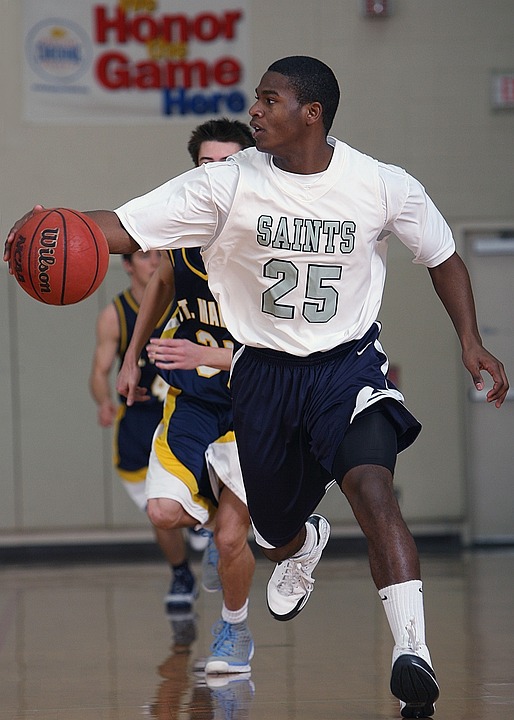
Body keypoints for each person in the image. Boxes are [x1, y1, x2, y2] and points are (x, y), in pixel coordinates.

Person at [5, 57, 508, 718]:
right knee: (270, 532)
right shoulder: (226, 185)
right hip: (263, 376)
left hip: (346, 367)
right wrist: (47, 230)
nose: (255, 111)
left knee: (373, 487)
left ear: (312, 114)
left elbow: (441, 255)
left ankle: (412, 652)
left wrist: (469, 339)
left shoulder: (383, 186)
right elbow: (124, 226)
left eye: (270, 100)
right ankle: (303, 542)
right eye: (256, 99)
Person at [116, 118, 257, 675]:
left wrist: (212, 356)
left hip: (258, 405)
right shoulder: (183, 233)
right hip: (196, 400)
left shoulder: (274, 243)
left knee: (235, 538)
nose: (216, 175)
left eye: (228, 164)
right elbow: (164, 283)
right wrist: (132, 355)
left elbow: (287, 351)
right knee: (163, 510)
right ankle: (239, 531)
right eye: (206, 166)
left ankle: (235, 629)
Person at [89, 249, 203, 616]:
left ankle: (205, 521)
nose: (154, 262)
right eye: (143, 256)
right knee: (160, 514)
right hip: (139, 425)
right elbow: (98, 370)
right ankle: (182, 573)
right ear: (127, 265)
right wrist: (105, 401)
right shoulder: (115, 315)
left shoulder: (185, 301)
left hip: (186, 414)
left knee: (190, 496)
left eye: (159, 254)